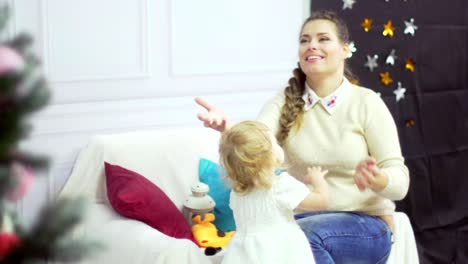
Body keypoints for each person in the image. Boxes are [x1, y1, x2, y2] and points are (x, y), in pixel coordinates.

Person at [195, 9, 409, 264]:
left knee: (302, 239)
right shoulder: (282, 102)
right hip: (299, 219)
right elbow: (259, 141)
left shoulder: (367, 103)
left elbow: (400, 185)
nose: (312, 46)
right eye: (305, 40)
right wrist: (228, 128)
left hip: (365, 225)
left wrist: (380, 178)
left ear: (345, 49)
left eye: (323, 39)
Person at [218, 120, 329, 264]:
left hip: (243, 254)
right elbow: (321, 202)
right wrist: (318, 180)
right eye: (275, 143)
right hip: (280, 251)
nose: (279, 146)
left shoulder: (237, 193)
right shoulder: (280, 185)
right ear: (268, 157)